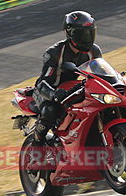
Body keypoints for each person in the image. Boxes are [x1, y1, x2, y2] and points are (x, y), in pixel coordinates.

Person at [32, 11, 102, 146]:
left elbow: (99, 71)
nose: (87, 38)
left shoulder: (94, 51)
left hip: (71, 88)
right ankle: (37, 144)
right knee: (50, 110)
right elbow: (42, 82)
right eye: (82, 34)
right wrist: (53, 95)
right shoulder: (55, 53)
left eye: (90, 33)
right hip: (48, 89)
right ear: (70, 33)